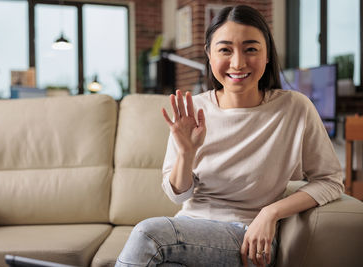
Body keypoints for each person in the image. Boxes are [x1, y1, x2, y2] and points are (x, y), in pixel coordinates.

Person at [115, 5, 344, 267]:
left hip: (248, 236)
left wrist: (271, 212)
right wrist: (187, 153)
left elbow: (331, 181)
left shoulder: (294, 108)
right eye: (225, 49)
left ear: (267, 54)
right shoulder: (193, 110)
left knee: (148, 234)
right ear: (210, 55)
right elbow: (177, 196)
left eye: (251, 49)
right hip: (187, 229)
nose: (238, 62)